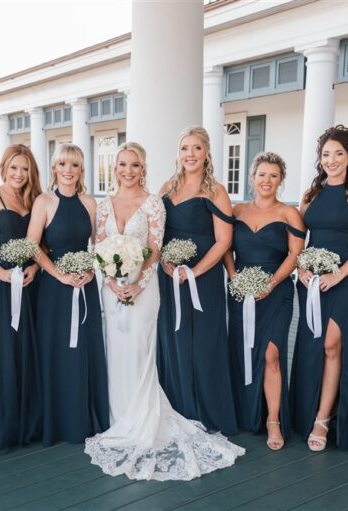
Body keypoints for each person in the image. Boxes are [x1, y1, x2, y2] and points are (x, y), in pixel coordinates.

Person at [85, 142, 244, 481]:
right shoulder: (103, 206)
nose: (129, 170)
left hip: (144, 290)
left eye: (136, 165)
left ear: (144, 169)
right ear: (115, 168)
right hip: (112, 290)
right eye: (123, 164)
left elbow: (155, 248)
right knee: (116, 351)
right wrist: (112, 283)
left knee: (142, 351)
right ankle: (119, 418)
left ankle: (143, 419)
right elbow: (100, 245)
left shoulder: (154, 202)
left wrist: (137, 284)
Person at [290, 125, 348, 451]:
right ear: (320, 159)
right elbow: (297, 240)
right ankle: (306, 410)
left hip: (345, 281)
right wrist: (299, 268)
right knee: (315, 348)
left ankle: (323, 420)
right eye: (326, 154)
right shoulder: (310, 196)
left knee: (332, 344)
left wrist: (338, 275)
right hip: (311, 282)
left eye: (338, 153)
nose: (332, 160)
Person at [157, 126, 239, 435]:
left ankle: (206, 411)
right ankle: (176, 408)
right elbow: (157, 232)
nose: (190, 154)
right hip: (168, 276)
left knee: (203, 345)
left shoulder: (216, 190)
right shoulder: (166, 186)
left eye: (196, 148)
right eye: (185, 148)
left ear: (206, 153)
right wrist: (166, 263)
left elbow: (223, 241)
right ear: (178, 154)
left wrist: (194, 272)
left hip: (202, 279)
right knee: (173, 339)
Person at [27, 143, 109, 446]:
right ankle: (59, 421)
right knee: (57, 351)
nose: (68, 170)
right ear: (54, 168)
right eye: (63, 164)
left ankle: (85, 418)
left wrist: (90, 270)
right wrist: (60, 274)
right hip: (54, 289)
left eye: (74, 165)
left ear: (81, 170)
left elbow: (98, 245)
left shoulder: (90, 202)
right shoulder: (44, 201)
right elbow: (33, 245)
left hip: (85, 284)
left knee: (84, 351)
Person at [224, 152, 305, 451]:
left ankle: (273, 420)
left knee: (271, 354)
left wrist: (270, 284)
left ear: (281, 180)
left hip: (277, 291)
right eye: (262, 175)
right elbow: (225, 248)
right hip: (240, 292)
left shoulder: (289, 213)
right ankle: (245, 412)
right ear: (252, 178)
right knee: (243, 351)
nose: (266, 180)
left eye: (273, 175)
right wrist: (234, 278)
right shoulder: (237, 210)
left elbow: (295, 255)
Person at [0, 144, 43, 452]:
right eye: (14, 168)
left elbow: (44, 245)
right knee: (3, 351)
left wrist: (36, 269)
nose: (19, 174)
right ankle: (3, 424)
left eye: (24, 169)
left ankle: (29, 423)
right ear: (4, 168)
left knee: (27, 350)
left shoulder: (34, 199)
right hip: (0, 286)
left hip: (30, 285)